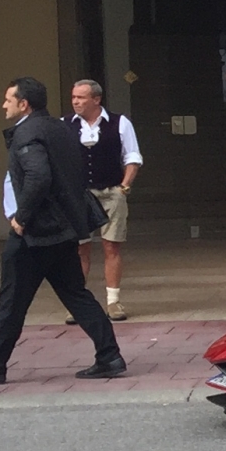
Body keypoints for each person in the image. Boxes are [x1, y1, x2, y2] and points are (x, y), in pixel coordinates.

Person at [0, 78, 123, 385]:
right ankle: (109, 356)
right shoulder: (60, 128)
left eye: (8, 100)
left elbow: (39, 177)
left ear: (24, 104)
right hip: (64, 229)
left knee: (11, 301)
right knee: (76, 294)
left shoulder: (27, 133)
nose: (4, 105)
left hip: (36, 233)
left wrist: (22, 218)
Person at [66, 78, 143, 319]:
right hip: (79, 194)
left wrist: (124, 187)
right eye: (74, 97)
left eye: (81, 97)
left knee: (111, 245)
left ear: (96, 99)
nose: (76, 102)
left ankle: (113, 302)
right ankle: (78, 304)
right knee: (80, 249)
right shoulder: (65, 124)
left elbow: (132, 156)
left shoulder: (120, 123)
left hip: (111, 191)